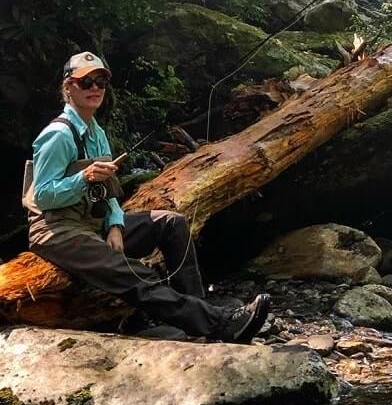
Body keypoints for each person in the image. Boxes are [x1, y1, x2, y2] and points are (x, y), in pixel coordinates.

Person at [22, 51, 270, 342]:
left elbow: (109, 190)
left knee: (171, 223)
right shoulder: (58, 135)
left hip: (93, 223)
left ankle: (199, 310)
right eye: (85, 82)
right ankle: (217, 325)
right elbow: (43, 195)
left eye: (100, 81)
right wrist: (83, 178)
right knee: (136, 273)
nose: (95, 88)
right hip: (56, 230)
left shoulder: (97, 131)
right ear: (68, 87)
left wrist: (115, 223)